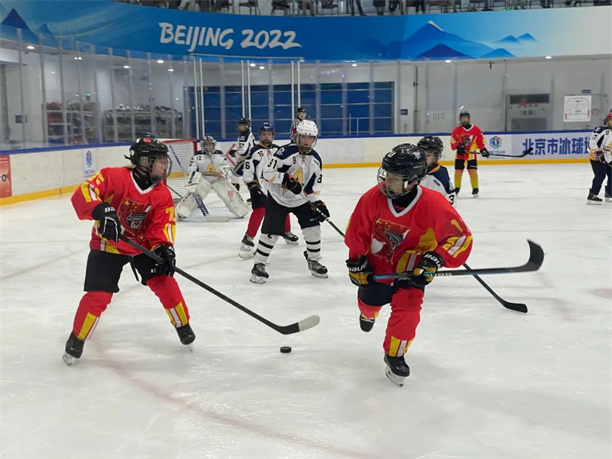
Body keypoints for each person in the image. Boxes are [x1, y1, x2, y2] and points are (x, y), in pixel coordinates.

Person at [344, 144, 472, 387]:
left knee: (409, 311)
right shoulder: (372, 197)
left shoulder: (433, 203)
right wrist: (356, 262)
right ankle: (368, 313)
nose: (387, 182)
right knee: (369, 303)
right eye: (387, 175)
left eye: (395, 178)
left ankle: (394, 354)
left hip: (412, 270)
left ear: (413, 181)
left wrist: (435, 258)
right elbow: (357, 231)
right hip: (378, 267)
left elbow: (460, 237)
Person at [64, 137, 195, 365]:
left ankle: (183, 325)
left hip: (142, 246)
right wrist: (100, 210)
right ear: (143, 162)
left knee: (165, 283)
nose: (164, 165)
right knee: (98, 295)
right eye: (159, 160)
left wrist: (164, 247)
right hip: (108, 244)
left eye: (164, 160)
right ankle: (77, 338)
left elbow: (162, 224)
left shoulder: (161, 193)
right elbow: (85, 192)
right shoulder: (113, 177)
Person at [250, 120, 329, 284]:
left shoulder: (316, 159)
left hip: (301, 200)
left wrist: (317, 203)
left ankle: (314, 260)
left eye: (310, 137)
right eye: (304, 137)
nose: (306, 141)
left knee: (313, 229)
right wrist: (285, 178)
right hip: (277, 198)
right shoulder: (284, 152)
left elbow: (312, 187)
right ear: (297, 136)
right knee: (271, 233)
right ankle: (259, 264)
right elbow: (267, 173)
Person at [239, 123, 299, 258]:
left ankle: (286, 232)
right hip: (259, 187)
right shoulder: (254, 151)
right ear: (260, 136)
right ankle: (248, 237)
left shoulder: (278, 150)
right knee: (260, 211)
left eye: (269, 134)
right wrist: (252, 185)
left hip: (276, 186)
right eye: (264, 134)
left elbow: (285, 167)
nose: (266, 136)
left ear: (273, 135)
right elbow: (248, 170)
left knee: (284, 207)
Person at [175, 136, 249, 219]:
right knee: (194, 195)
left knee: (229, 193)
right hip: (203, 179)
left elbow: (226, 167)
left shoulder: (220, 155)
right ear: (203, 145)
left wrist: (224, 174)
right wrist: (192, 179)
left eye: (210, 144)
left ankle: (241, 210)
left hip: (218, 179)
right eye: (206, 144)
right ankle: (182, 212)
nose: (209, 146)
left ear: (214, 145)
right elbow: (192, 168)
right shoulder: (197, 155)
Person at [450, 110, 487, 198]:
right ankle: (457, 189)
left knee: (473, 171)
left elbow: (480, 140)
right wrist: (458, 146)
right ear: (460, 119)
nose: (464, 120)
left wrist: (483, 149)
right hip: (460, 155)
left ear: (469, 119)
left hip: (471, 155)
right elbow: (453, 140)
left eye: (465, 118)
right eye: (462, 118)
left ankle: (475, 189)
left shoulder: (476, 129)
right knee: (458, 172)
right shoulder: (456, 130)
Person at [417, 136, 456, 206]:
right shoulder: (418, 170)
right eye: (421, 154)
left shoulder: (438, 178)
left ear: (436, 157)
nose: (423, 158)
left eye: (428, 155)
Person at [586, 111, 612, 204]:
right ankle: (592, 195)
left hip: (608, 157)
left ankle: (609, 193)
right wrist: (597, 153)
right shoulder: (600, 130)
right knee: (600, 175)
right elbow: (592, 143)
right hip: (596, 157)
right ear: (607, 120)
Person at [228, 117, 256, 191]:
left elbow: (243, 151)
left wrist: (234, 153)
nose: (239, 127)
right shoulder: (247, 134)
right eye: (239, 125)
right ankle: (255, 193)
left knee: (234, 174)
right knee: (249, 178)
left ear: (247, 126)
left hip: (246, 159)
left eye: (242, 125)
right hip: (250, 158)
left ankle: (235, 193)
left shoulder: (244, 135)